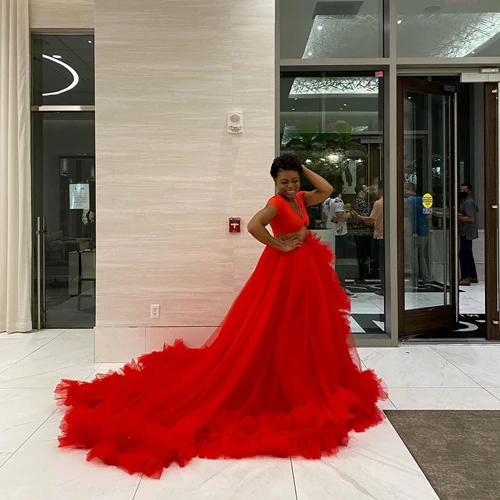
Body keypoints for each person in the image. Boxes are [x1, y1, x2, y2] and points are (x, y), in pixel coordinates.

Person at [55, 154, 387, 479]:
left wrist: (301, 167)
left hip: (304, 270)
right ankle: (274, 375)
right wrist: (279, 245)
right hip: (285, 272)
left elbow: (326, 190)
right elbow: (254, 226)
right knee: (274, 324)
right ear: (274, 181)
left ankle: (298, 372)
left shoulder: (299, 198)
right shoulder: (275, 203)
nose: (290, 185)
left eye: (294, 180)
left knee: (303, 327)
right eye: (284, 180)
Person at [322, 184, 356, 297]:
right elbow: (341, 217)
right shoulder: (338, 201)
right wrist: (349, 214)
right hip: (340, 234)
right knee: (341, 262)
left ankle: (330, 286)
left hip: (330, 233)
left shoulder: (326, 201)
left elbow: (324, 218)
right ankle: (341, 286)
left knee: (331, 262)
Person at [352, 181, 384, 296]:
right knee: (368, 256)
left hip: (377, 234)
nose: (371, 191)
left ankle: (384, 286)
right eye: (366, 189)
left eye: (374, 189)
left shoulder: (377, 203)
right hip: (368, 233)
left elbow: (370, 219)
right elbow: (370, 220)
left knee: (380, 261)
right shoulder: (361, 202)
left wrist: (359, 217)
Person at [404, 183, 430, 286]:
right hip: (424, 232)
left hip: (413, 232)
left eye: (405, 189)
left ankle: (414, 280)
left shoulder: (407, 201)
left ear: (409, 189)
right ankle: (425, 278)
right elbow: (429, 215)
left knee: (413, 257)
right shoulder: (424, 200)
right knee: (421, 256)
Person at [350, 184, 372, 283]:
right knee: (363, 253)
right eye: (365, 188)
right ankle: (361, 275)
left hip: (358, 230)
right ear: (361, 191)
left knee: (361, 253)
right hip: (363, 231)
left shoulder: (355, 201)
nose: (368, 190)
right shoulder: (361, 202)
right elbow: (365, 218)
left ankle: (361, 275)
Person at [458, 183, 479, 286]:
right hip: (466, 231)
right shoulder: (465, 201)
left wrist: (458, 217)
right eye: (461, 190)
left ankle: (466, 277)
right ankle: (473, 276)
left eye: (464, 190)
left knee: (464, 254)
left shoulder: (468, 202)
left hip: (466, 232)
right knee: (468, 253)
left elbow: (471, 218)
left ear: (469, 191)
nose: (462, 192)